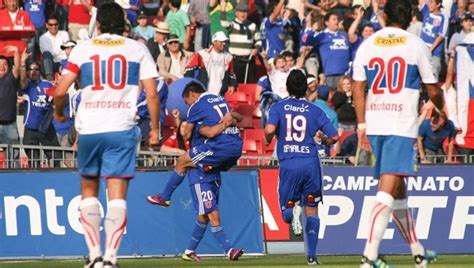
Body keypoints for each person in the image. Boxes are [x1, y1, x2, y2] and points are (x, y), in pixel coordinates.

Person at [53, 3, 160, 268]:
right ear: (124, 24)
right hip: (121, 126)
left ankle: (94, 256)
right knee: (117, 195)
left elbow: (60, 90)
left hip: (90, 127)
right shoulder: (137, 48)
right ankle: (111, 258)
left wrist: (58, 114)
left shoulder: (84, 48)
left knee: (89, 191)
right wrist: (155, 128)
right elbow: (153, 93)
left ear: (98, 23)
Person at [352, 0, 443, 267]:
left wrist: (361, 126)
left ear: (385, 15)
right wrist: (441, 109)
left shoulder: (368, 45)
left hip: (375, 122)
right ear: (409, 17)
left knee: (399, 192)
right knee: (386, 191)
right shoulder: (416, 45)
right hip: (400, 124)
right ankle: (369, 257)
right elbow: (433, 87)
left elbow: (358, 88)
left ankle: (417, 251)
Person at [147, 81, 244, 262]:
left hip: (214, 157)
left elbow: (190, 133)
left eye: (187, 102)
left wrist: (210, 127)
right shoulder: (220, 101)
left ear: (191, 94)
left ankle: (165, 197)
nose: (188, 107)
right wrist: (225, 122)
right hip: (205, 170)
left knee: (184, 162)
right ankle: (225, 250)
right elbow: (231, 120)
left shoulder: (197, 111)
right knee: (208, 214)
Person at [264, 69, 338, 265]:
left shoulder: (278, 107)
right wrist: (324, 140)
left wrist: (268, 137)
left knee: (286, 212)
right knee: (312, 209)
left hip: (289, 163)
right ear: (306, 88)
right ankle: (312, 256)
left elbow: (270, 130)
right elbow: (335, 136)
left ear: (287, 87)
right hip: (311, 163)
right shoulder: (315, 110)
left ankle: (290, 210)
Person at [20, 61, 62, 168]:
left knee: (55, 157)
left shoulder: (47, 84)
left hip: (46, 127)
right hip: (30, 128)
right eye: (31, 69)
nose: (33, 72)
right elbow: (23, 78)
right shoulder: (27, 85)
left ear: (40, 72)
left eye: (36, 69)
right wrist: (23, 64)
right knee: (34, 161)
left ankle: (56, 180)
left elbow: (55, 101)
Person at [184, 31, 237, 96]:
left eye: (224, 41)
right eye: (221, 42)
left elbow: (231, 73)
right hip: (204, 92)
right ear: (214, 42)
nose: (224, 44)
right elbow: (188, 69)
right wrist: (191, 85)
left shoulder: (228, 57)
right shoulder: (202, 54)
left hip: (221, 94)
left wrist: (233, 85)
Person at [221, 0, 261, 83]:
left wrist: (256, 49)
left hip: (249, 61)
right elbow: (224, 23)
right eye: (240, 12)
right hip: (236, 61)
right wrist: (223, 10)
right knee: (236, 84)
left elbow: (259, 41)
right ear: (236, 13)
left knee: (250, 84)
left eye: (245, 12)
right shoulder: (232, 24)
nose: (243, 14)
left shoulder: (252, 25)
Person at [0, 47, 24, 165]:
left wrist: (16, 49)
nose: (2, 66)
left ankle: (15, 179)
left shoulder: (11, 78)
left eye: (5, 64)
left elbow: (17, 66)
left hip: (10, 124)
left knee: (13, 156)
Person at [39, 14, 71, 81]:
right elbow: (48, 54)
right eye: (51, 25)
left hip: (63, 61)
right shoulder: (43, 38)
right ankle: (50, 79)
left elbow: (68, 51)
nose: (53, 27)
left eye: (55, 24)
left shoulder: (64, 34)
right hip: (51, 63)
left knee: (69, 56)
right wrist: (61, 50)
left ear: (58, 25)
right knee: (46, 54)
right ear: (47, 25)